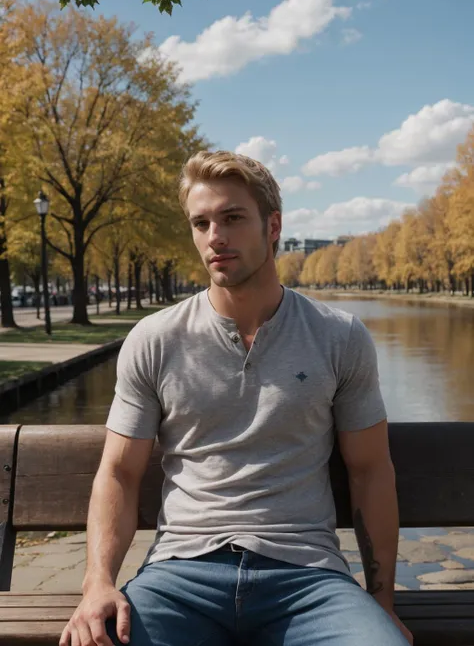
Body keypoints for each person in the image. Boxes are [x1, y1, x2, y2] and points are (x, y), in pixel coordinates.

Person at [60, 151, 413, 646]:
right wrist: (97, 582)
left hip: (306, 578)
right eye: (200, 223)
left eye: (231, 218)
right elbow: (119, 472)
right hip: (181, 575)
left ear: (273, 226)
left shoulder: (339, 337)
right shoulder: (155, 339)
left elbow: (371, 470)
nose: (214, 238)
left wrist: (382, 606)